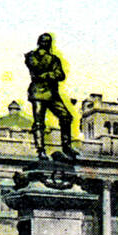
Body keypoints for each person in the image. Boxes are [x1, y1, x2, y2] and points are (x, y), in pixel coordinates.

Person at [24, 33, 77, 161]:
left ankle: (66, 146)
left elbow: (60, 75)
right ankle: (41, 150)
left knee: (66, 117)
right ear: (39, 42)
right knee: (39, 123)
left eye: (48, 42)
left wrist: (46, 75)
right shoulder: (32, 56)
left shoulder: (54, 59)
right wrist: (50, 73)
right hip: (38, 93)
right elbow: (36, 68)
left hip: (52, 94)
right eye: (43, 41)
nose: (46, 44)